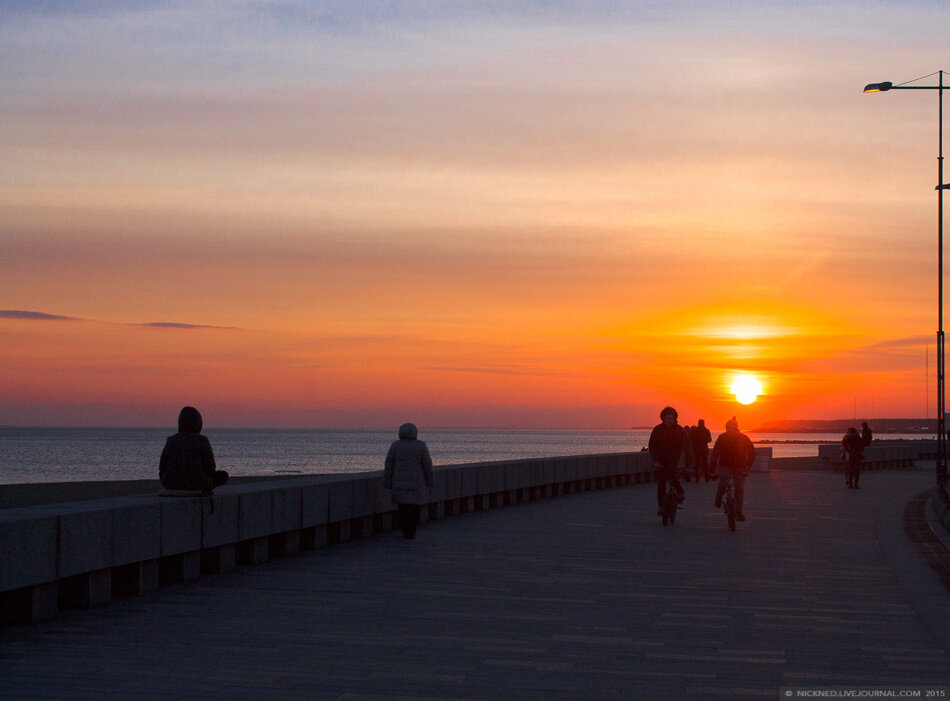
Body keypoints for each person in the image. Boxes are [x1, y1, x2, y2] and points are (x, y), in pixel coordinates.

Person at [159, 406, 228, 492]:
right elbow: (210, 467)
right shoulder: (202, 441)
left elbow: (162, 467)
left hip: (170, 484)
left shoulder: (171, 440)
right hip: (196, 484)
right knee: (223, 475)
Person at [384, 422, 435, 539]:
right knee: (414, 509)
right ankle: (411, 532)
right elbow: (427, 465)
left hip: (399, 483)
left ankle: (405, 531)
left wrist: (387, 482)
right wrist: (430, 481)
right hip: (416, 483)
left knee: (402, 508)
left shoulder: (395, 445)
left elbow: (388, 465)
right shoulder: (421, 445)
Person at [711, 416, 755, 522]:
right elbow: (715, 453)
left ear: (736, 428)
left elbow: (752, 452)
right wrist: (712, 470)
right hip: (724, 465)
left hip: (739, 466)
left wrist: (748, 467)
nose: (730, 430)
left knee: (739, 488)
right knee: (723, 483)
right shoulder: (722, 437)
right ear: (726, 428)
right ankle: (719, 497)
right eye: (728, 428)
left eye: (732, 428)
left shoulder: (743, 438)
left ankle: (739, 512)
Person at [649, 406, 689, 516]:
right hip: (661, 459)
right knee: (661, 482)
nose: (669, 420)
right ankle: (661, 506)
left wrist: (689, 463)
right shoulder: (657, 430)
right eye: (667, 418)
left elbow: (687, 447)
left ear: (675, 418)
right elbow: (652, 446)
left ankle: (680, 492)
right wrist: (655, 460)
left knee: (672, 475)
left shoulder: (680, 431)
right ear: (663, 419)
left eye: (671, 418)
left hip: (676, 459)